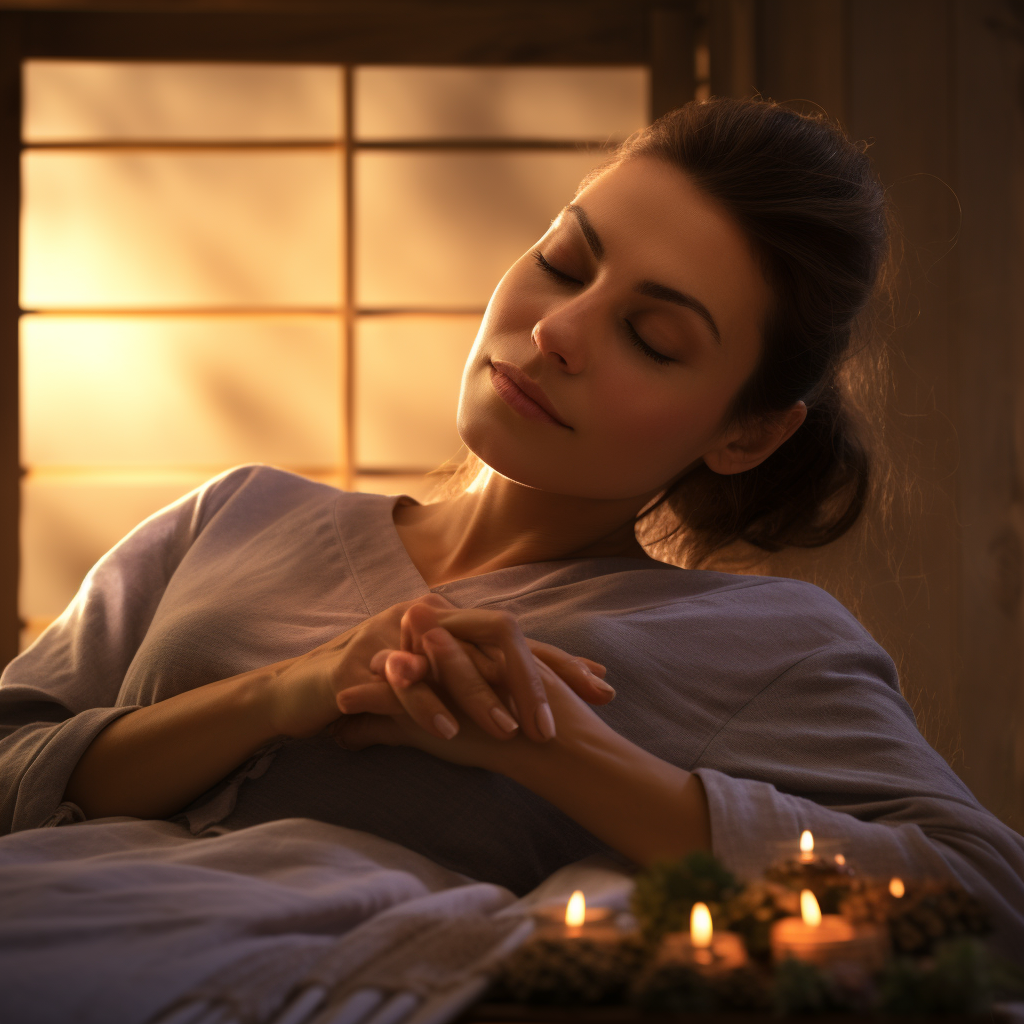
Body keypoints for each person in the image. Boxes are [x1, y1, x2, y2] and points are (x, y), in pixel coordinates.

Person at [2, 97, 1023, 963]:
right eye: (566, 261)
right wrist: (282, 691)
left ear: (746, 434)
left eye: (652, 337)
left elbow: (988, 899)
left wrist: (558, 750)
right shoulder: (237, 512)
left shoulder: (763, 640)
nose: (557, 330)